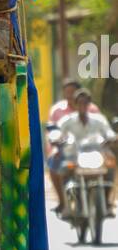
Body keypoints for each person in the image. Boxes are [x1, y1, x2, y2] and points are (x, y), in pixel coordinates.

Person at [57, 88, 118, 217]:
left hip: (95, 156)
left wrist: (112, 138)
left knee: (111, 167)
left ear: (89, 104)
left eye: (85, 103)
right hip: (75, 157)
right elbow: (58, 133)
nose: (83, 106)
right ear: (75, 104)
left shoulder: (98, 120)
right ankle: (67, 205)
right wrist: (58, 138)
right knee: (63, 168)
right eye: (80, 103)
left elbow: (109, 133)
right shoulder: (68, 121)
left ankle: (106, 202)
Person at [46, 79, 101, 214]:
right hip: (67, 151)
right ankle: (63, 202)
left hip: (91, 150)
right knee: (53, 163)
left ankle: (105, 199)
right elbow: (53, 133)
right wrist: (55, 146)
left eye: (72, 92)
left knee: (110, 163)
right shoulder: (59, 113)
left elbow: (102, 130)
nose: (69, 95)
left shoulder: (93, 111)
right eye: (67, 92)